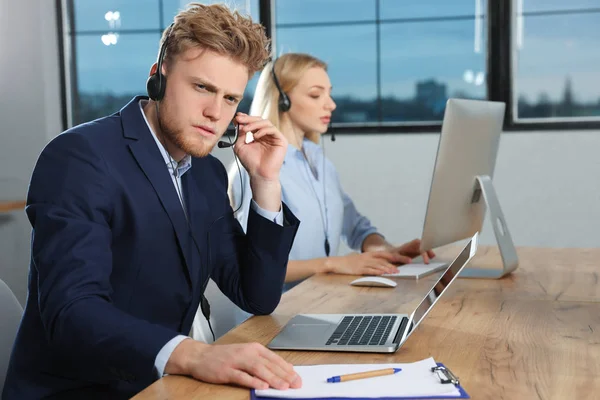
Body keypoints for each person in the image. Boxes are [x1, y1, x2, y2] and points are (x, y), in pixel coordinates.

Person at [2, 4, 303, 399]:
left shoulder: (208, 174)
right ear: (157, 76)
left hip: (162, 386)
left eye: (231, 98)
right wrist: (191, 354)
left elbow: (258, 296)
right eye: (202, 88)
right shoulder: (79, 158)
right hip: (84, 390)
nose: (216, 113)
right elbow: (73, 311)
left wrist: (266, 181)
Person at [229, 53, 435, 291]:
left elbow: (355, 225)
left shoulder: (320, 161)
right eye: (316, 95)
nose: (331, 104)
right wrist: (333, 264)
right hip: (273, 313)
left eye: (329, 93)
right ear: (282, 99)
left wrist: (386, 251)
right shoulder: (253, 169)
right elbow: (252, 266)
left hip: (318, 299)